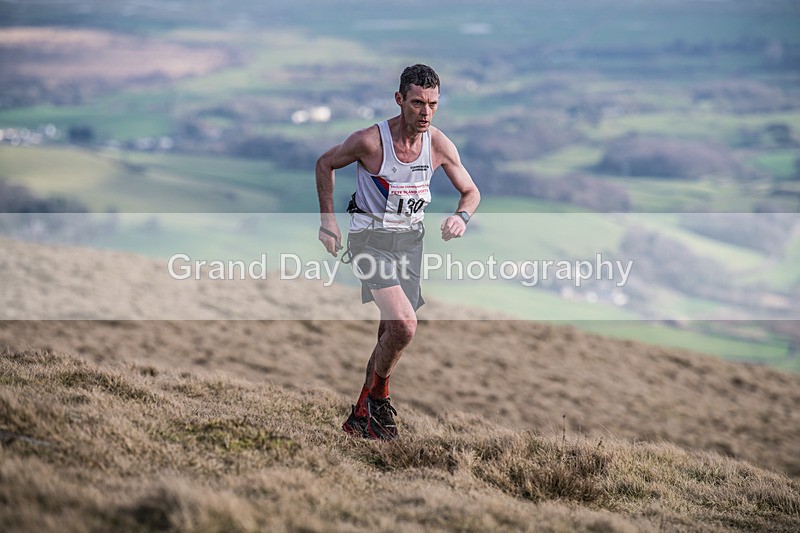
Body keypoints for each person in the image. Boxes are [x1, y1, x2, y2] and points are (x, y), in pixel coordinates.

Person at [315, 64, 480, 440]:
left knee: (388, 332)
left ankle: (360, 419)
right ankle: (379, 397)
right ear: (399, 99)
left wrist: (462, 217)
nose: (425, 113)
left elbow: (471, 191)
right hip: (369, 242)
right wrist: (328, 221)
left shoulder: (438, 144)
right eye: (417, 103)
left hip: (410, 244)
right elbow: (325, 163)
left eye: (433, 104)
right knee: (405, 327)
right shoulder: (371, 142)